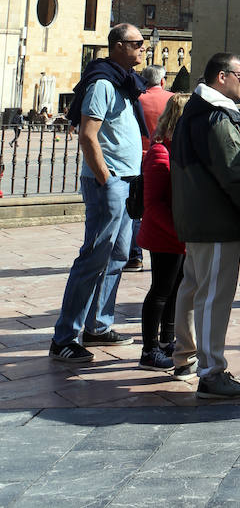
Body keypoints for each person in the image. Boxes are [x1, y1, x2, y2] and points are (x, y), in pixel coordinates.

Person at [49, 24, 147, 363]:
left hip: (126, 182)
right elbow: (88, 135)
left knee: (118, 255)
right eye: (137, 43)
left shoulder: (123, 82)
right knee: (93, 257)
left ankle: (98, 325)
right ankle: (64, 337)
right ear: (119, 46)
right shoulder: (103, 83)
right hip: (109, 183)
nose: (144, 48)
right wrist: (105, 178)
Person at [170, 52, 240, 399]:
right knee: (215, 296)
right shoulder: (217, 118)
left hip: (197, 219)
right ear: (221, 77)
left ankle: (185, 356)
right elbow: (235, 171)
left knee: (193, 287)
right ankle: (211, 373)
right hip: (216, 220)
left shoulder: (193, 110)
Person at [136, 93, 189, 371]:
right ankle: (149, 350)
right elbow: (153, 205)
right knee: (160, 291)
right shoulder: (160, 152)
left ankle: (168, 340)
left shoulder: (176, 150)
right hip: (163, 235)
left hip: (176, 236)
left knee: (175, 290)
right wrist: (178, 231)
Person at [126, 64, 174, 272]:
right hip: (166, 158)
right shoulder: (173, 99)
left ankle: (135, 256)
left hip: (139, 157)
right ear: (163, 81)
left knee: (139, 205)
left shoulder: (137, 100)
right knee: (163, 205)